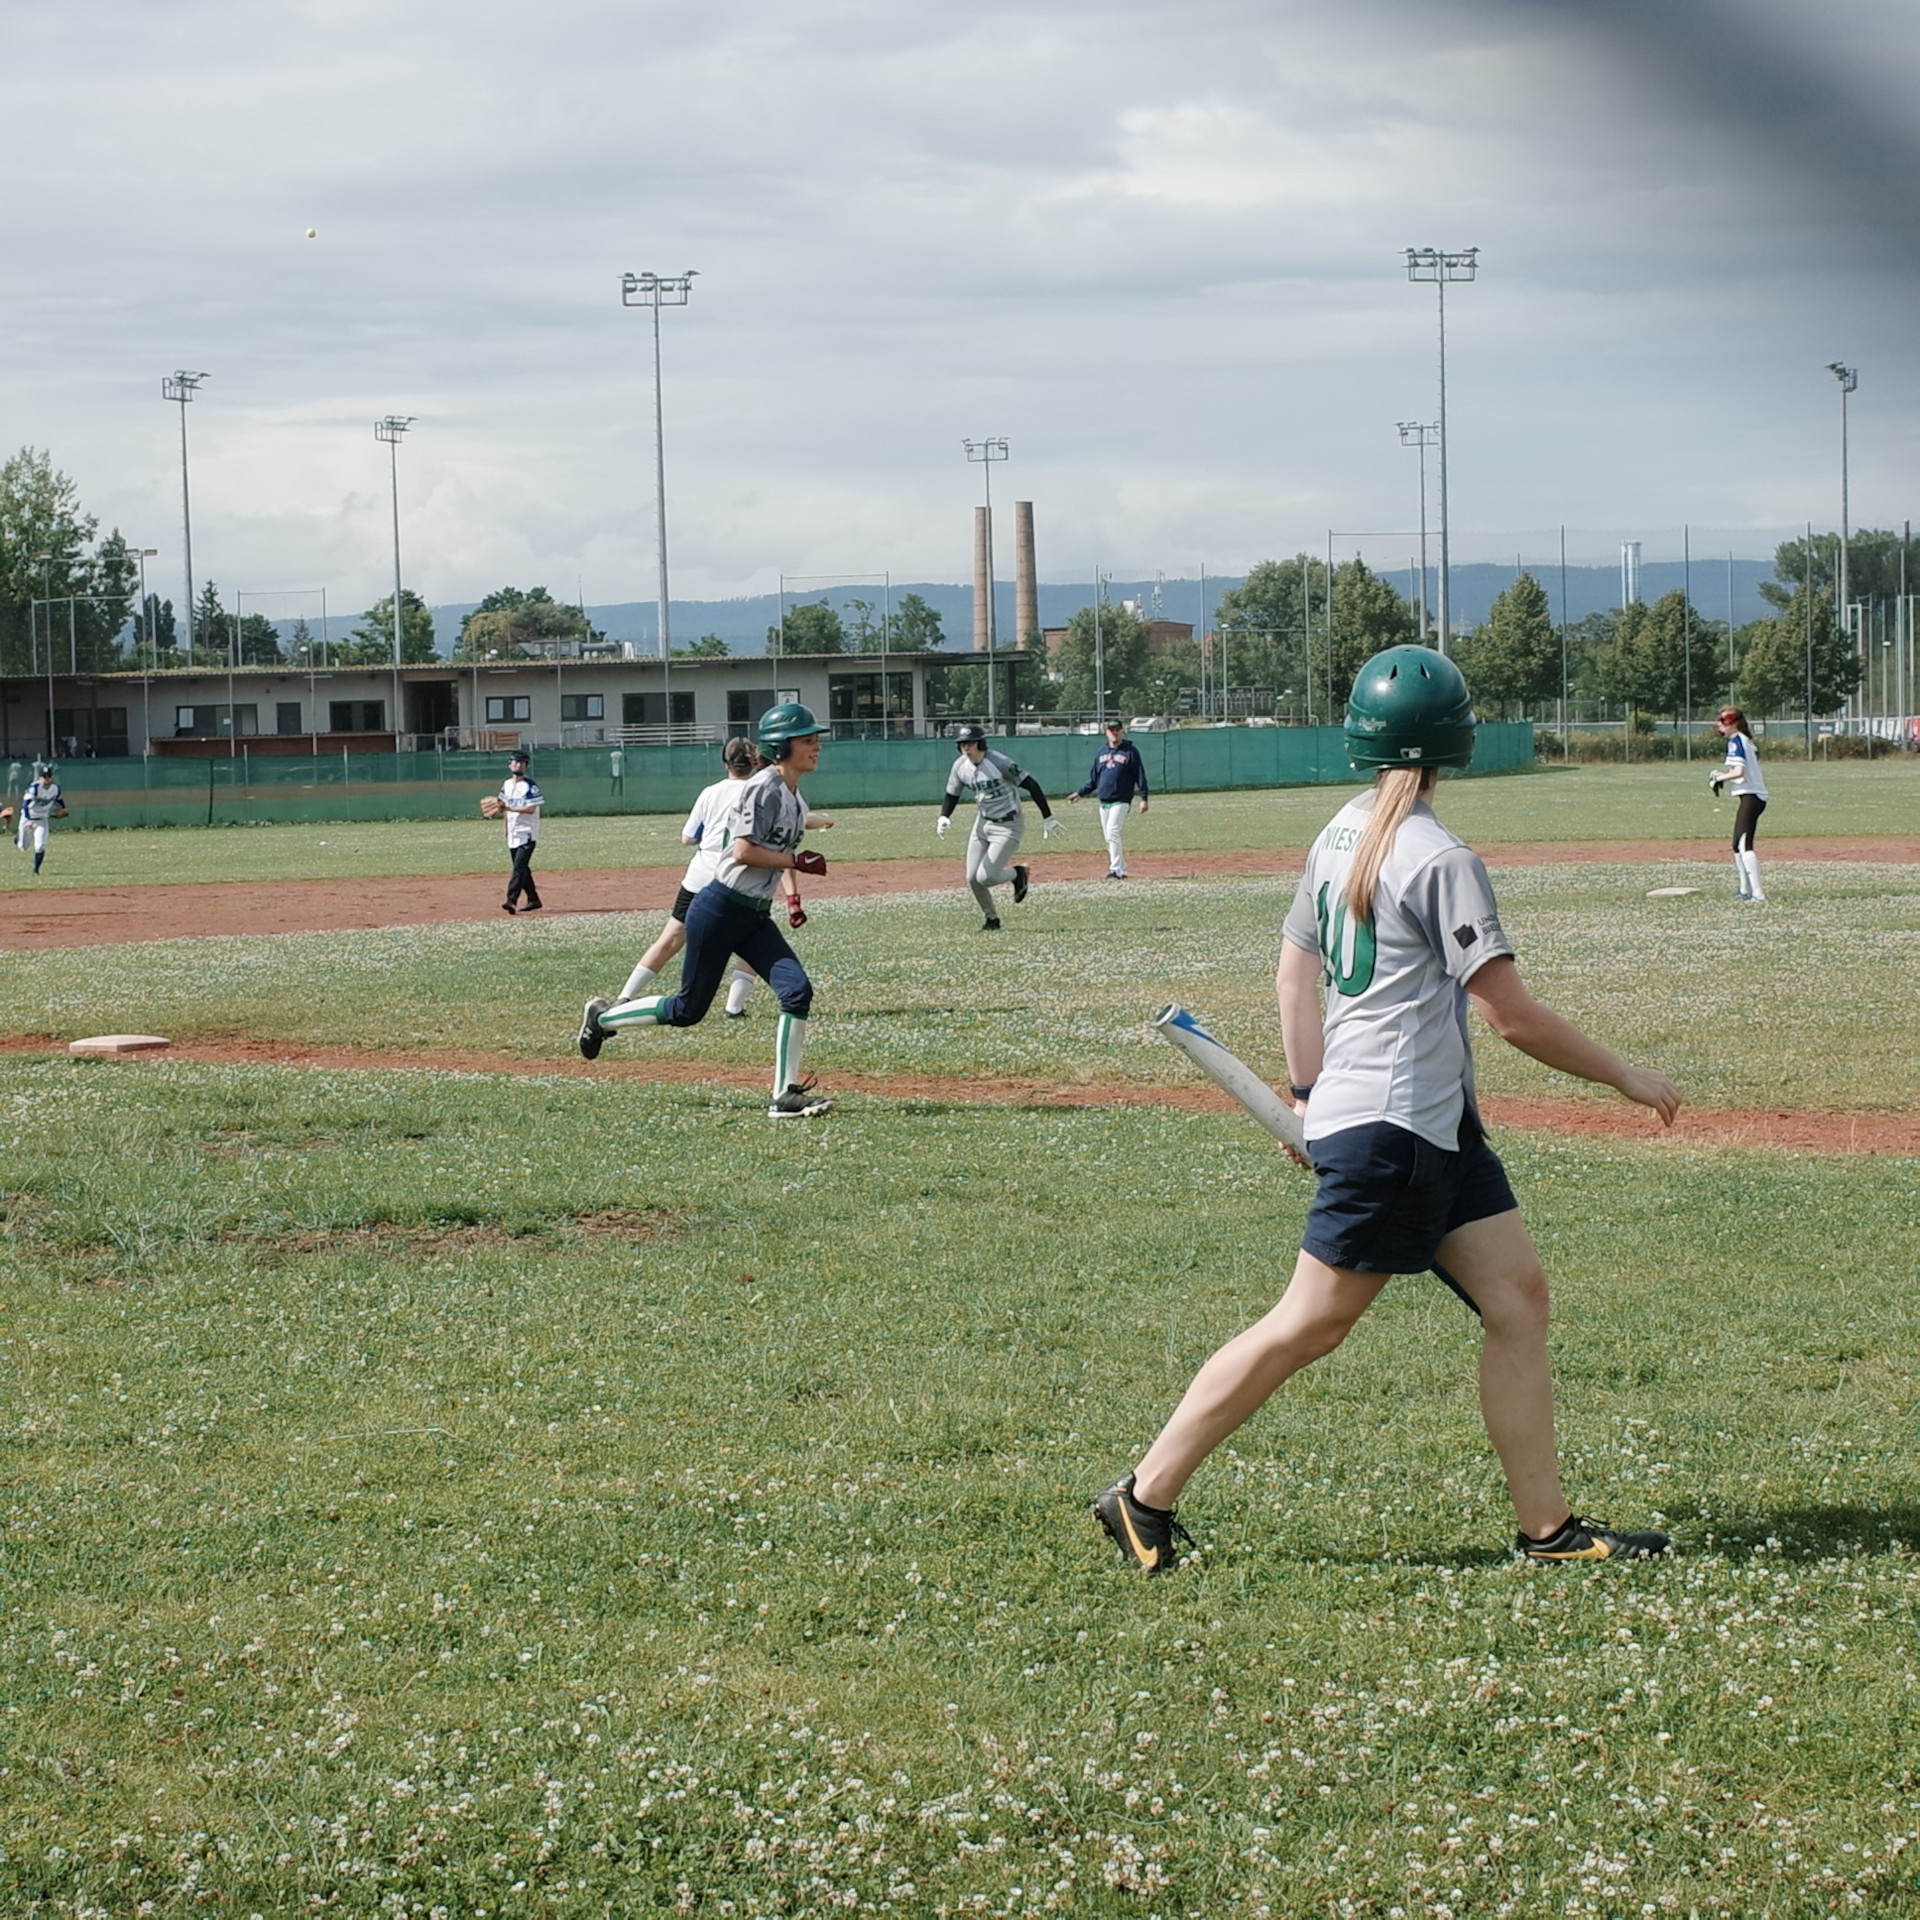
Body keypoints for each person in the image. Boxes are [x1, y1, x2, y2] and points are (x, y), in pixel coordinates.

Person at [1093, 645, 1681, 1574]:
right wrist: (1628, 1075)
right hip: (1397, 1129)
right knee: (1308, 1324)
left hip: (1427, 1126)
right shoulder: (1439, 855)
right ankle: (1143, 1493)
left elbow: (1296, 972)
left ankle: (1549, 1532)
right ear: (1459, 739)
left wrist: (1308, 1094)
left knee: (1518, 1301)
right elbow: (1509, 1015)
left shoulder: (1342, 829)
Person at [578, 703, 832, 1120]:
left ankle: (783, 1096)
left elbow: (790, 833)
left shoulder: (792, 793)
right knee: (687, 1010)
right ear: (780, 746)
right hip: (719, 909)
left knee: (797, 991)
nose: (816, 746)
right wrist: (795, 862)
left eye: (815, 738)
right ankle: (605, 1018)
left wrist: (808, 845)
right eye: (807, 740)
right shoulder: (762, 788)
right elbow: (744, 850)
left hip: (753, 915)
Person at [594, 736, 824, 1027]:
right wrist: (793, 893)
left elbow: (688, 837)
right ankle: (733, 1005)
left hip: (703, 874)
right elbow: (771, 847)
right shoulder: (766, 791)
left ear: (726, 763)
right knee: (696, 998)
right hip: (730, 885)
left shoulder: (713, 792)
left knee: (670, 940)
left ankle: (624, 997)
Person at [936, 724, 1063, 930]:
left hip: (1009, 824)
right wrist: (944, 816)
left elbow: (1031, 785)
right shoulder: (960, 766)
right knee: (972, 878)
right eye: (962, 744)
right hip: (983, 823)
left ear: (980, 743)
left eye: (970, 743)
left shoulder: (1000, 762)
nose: (966, 748)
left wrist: (1047, 817)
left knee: (986, 877)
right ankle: (991, 919)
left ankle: (1018, 873)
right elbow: (952, 794)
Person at [1069, 718, 1149, 878]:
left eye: (1117, 729)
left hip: (1121, 800)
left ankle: (1116, 870)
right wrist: (1080, 793)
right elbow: (1094, 779)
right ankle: (1121, 868)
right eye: (1111, 730)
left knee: (1112, 832)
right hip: (1104, 801)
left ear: (1122, 731)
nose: (1114, 732)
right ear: (1106, 732)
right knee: (1108, 837)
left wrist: (1144, 798)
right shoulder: (1101, 753)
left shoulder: (1130, 751)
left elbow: (1140, 775)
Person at [1710, 706, 1768, 903]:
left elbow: (1739, 771)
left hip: (1752, 796)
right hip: (1752, 796)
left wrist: (1719, 778)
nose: (1719, 725)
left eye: (1723, 722)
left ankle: (1758, 895)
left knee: (1744, 845)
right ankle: (1744, 890)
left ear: (1733, 723)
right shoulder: (1746, 741)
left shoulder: (1736, 740)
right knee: (1737, 844)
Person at [492, 750, 543, 913]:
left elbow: (531, 809)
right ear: (510, 765)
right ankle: (534, 900)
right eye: (516, 762)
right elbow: (502, 806)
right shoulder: (506, 784)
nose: (519, 765)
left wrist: (509, 807)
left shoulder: (529, 785)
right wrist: (505, 824)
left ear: (526, 766)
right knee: (522, 868)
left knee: (519, 868)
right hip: (513, 832)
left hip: (527, 832)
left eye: (522, 762)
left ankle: (511, 900)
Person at [14, 761, 65, 874]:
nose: (46, 779)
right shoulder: (34, 788)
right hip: (28, 817)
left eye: (48, 777)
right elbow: (25, 805)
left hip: (42, 819)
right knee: (23, 847)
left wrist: (62, 809)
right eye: (44, 777)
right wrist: (28, 820)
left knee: (40, 845)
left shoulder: (55, 789)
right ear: (40, 778)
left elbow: (60, 801)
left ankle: (35, 870)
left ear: (51, 777)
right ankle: (18, 838)